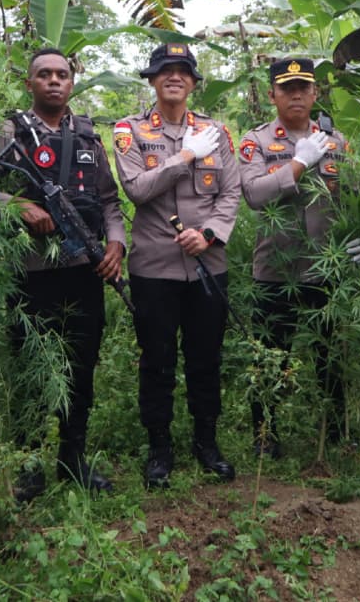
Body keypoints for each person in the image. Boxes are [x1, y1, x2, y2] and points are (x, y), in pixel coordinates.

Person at [0, 48, 126, 501]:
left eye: (62, 74)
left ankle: (72, 458)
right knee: (30, 369)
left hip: (84, 271)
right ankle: (27, 466)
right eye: (44, 74)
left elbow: (108, 201)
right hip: (30, 273)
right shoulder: (5, 132)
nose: (54, 81)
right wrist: (16, 205)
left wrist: (117, 245)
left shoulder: (88, 136)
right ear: (30, 83)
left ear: (72, 83)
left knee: (81, 368)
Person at [113, 43, 241, 488]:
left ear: (192, 81)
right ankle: (159, 448)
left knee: (206, 358)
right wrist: (184, 157)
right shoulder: (130, 132)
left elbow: (231, 193)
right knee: (158, 360)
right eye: (165, 70)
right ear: (152, 79)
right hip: (154, 269)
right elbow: (136, 188)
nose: (174, 77)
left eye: (183, 71)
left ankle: (207, 442)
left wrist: (208, 234)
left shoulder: (217, 133)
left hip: (209, 264)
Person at [239, 58, 349, 456]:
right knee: (272, 354)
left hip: (326, 265)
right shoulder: (257, 141)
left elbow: (353, 196)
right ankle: (265, 435)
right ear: (272, 95)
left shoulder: (335, 142)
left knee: (331, 356)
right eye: (287, 88)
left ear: (316, 92)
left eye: (304, 86)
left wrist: (359, 237)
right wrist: (299, 163)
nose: (297, 94)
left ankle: (336, 433)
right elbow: (253, 194)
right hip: (275, 267)